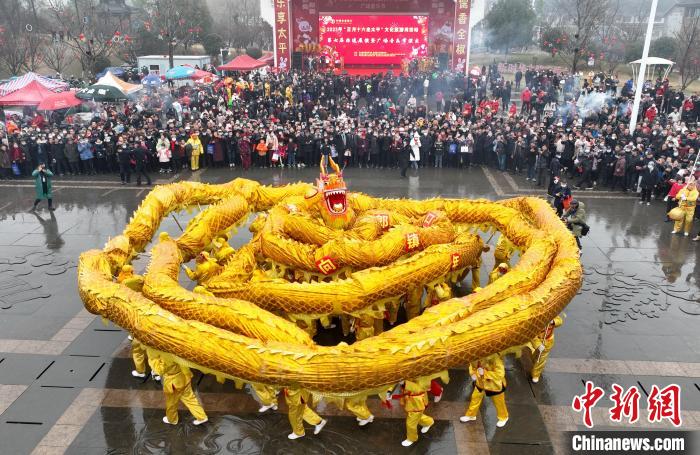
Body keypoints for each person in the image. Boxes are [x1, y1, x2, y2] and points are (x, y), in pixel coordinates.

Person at [460, 353, 509, 427]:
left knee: (499, 402)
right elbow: (472, 366)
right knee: (475, 398)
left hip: (494, 386)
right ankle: (471, 415)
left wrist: (485, 373)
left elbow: (500, 374)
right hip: (480, 383)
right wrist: (473, 373)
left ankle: (503, 417)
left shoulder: (495, 359)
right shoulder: (475, 356)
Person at [159, 355, 208, 426]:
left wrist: (153, 359)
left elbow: (160, 370)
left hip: (173, 383)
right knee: (190, 399)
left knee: (171, 403)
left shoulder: (163, 355)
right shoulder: (178, 350)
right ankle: (201, 416)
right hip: (184, 377)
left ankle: (172, 419)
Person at [397, 378, 433, 447]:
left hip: (417, 404)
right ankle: (428, 422)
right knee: (418, 417)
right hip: (411, 402)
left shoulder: (423, 375)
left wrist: (405, 384)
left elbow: (420, 388)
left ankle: (411, 438)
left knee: (410, 423)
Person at [529, 316, 563, 383]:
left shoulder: (551, 314)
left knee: (541, 359)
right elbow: (531, 335)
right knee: (537, 355)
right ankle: (534, 360)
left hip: (549, 341)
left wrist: (553, 321)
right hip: (539, 341)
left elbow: (560, 321)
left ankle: (535, 374)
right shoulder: (535, 321)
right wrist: (538, 345)